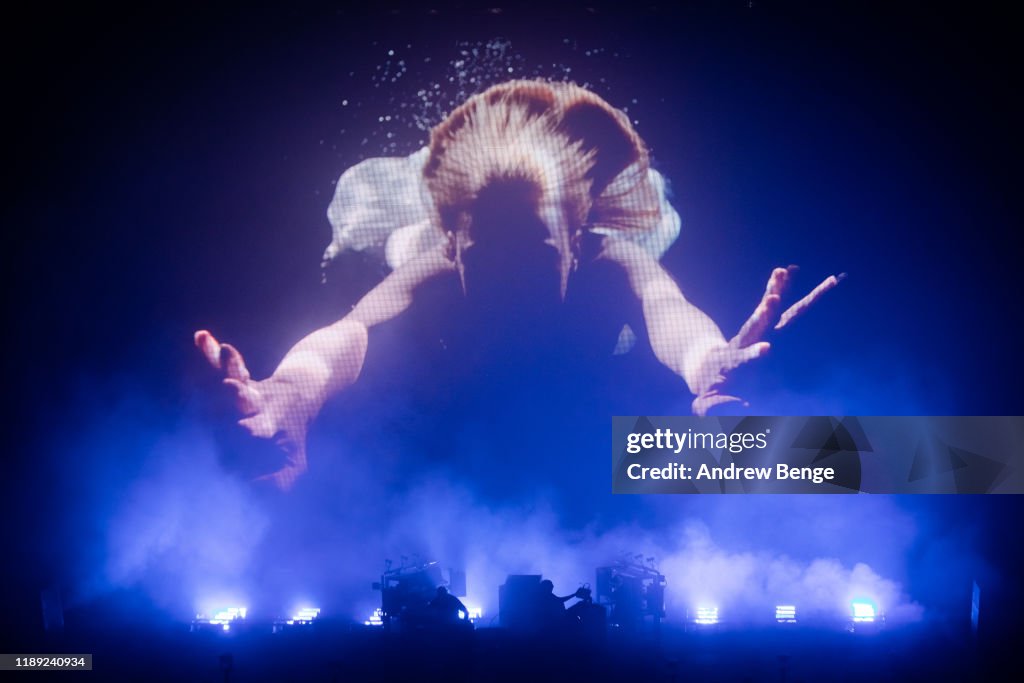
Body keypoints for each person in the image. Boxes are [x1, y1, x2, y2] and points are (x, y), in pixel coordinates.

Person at [195, 79, 840, 490]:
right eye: (487, 254)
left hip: (596, 454)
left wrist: (708, 364)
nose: (512, 280)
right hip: (446, 461)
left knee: (785, 453)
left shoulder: (609, 261)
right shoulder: (435, 272)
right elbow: (349, 334)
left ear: (576, 238)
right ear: (452, 245)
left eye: (534, 251)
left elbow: (668, 310)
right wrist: (292, 393)